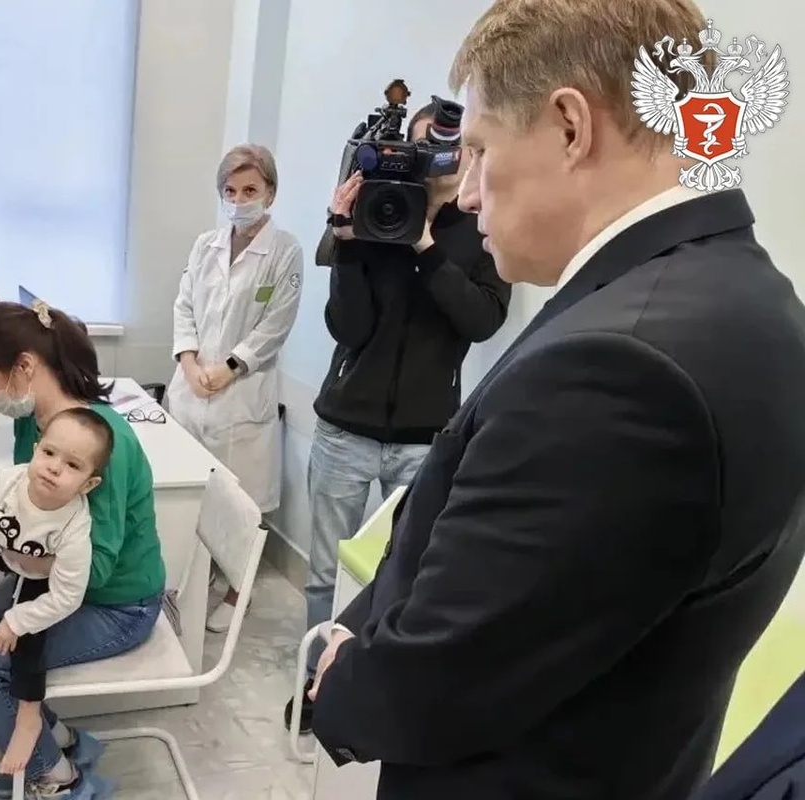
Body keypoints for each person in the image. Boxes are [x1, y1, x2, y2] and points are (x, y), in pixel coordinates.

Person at [309, 1, 805, 798]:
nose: (468, 193)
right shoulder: (747, 294)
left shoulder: (618, 369)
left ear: (571, 127)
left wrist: (339, 677)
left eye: (479, 150)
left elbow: (437, 681)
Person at [288, 99, 511, 731]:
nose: (436, 161)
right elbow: (348, 328)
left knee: (403, 574)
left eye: (448, 149)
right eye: (420, 149)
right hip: (344, 429)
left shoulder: (482, 229)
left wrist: (426, 247)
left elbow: (482, 319)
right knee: (325, 573)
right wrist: (348, 241)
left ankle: (372, 688)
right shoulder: (375, 215)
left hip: (425, 438)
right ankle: (317, 686)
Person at [0, 300, 167, 798]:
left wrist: (9, 553)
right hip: (47, 584)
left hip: (116, 604)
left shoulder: (100, 442)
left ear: (24, 366)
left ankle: (58, 778)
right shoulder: (33, 425)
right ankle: (60, 739)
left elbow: (92, 572)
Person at [168, 143, 303, 633]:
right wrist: (188, 362)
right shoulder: (205, 244)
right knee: (194, 493)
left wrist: (229, 367)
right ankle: (201, 572)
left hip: (242, 394)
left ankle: (235, 589)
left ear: (270, 193)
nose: (239, 199)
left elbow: (275, 325)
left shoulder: (285, 251)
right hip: (192, 390)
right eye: (230, 190)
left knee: (244, 503)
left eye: (250, 190)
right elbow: (184, 305)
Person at [0, 406, 112, 777]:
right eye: (49, 453)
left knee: (28, 645)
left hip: (39, 576)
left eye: (72, 465)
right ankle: (52, 732)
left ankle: (29, 717)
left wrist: (17, 621)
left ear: (88, 484)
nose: (54, 468)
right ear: (36, 450)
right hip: (0, 548)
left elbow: (68, 595)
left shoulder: (75, 527)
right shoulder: (7, 482)